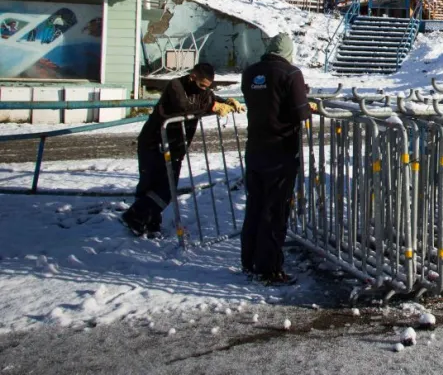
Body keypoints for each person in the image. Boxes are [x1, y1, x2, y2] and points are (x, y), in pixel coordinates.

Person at [121, 63, 244, 237]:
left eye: (207, 86)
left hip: (176, 146)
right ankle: (135, 218)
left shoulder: (203, 91)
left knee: (166, 188)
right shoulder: (175, 86)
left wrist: (227, 102)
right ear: (192, 77)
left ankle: (150, 222)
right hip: (154, 142)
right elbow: (183, 106)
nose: (204, 89)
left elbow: (210, 98)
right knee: (152, 185)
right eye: (201, 85)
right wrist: (212, 107)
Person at [240, 33, 313, 285]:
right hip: (280, 151)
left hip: (255, 149)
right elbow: (300, 113)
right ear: (288, 52)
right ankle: (269, 269)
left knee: (255, 207)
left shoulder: (250, 73)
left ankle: (249, 261)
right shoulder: (291, 74)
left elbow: (263, 102)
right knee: (275, 211)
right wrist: (302, 97)